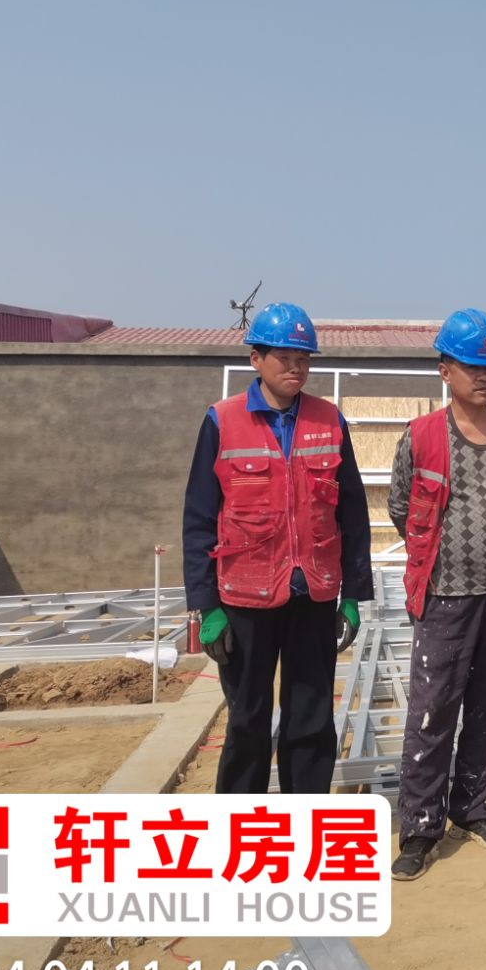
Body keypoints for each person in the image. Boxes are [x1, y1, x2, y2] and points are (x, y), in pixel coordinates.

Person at [181, 302, 373, 794]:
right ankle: (241, 825)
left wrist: (353, 594)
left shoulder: (329, 421)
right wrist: (206, 606)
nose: (295, 368)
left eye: (303, 359)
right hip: (244, 599)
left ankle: (302, 819)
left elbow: (352, 513)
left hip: (313, 594)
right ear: (256, 359)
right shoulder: (222, 421)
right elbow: (199, 518)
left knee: (310, 718)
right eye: (284, 358)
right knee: (248, 718)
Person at [387, 308, 486, 881]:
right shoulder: (422, 435)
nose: (484, 375)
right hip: (446, 596)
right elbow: (400, 506)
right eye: (472, 365)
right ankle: (419, 828)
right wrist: (445, 554)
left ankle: (474, 808)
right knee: (432, 712)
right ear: (444, 370)